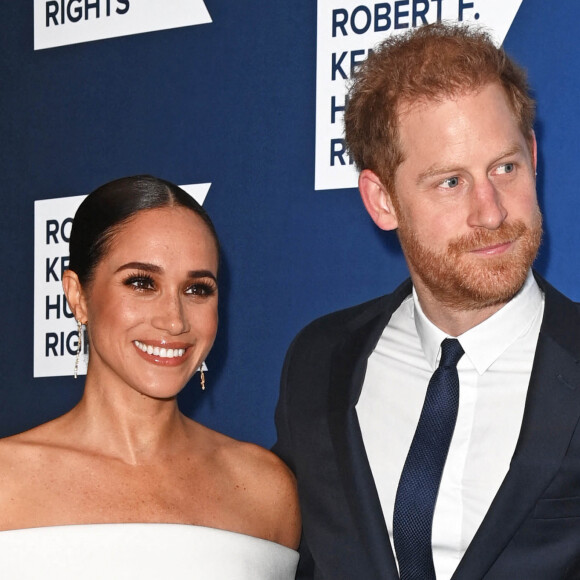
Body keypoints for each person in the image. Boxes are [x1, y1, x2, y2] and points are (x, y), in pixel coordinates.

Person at [274, 23, 580, 580]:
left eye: (505, 168)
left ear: (533, 155)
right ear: (382, 200)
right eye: (450, 182)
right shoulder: (318, 364)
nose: (490, 213)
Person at [0, 175, 300, 578]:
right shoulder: (7, 480)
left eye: (197, 289)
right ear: (77, 296)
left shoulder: (266, 490)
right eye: (141, 283)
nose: (174, 320)